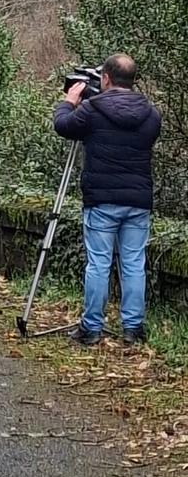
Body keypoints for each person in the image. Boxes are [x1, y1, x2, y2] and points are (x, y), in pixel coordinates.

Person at [53, 53, 161, 346]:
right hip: (138, 200)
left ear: (106, 79)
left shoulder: (91, 110)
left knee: (99, 263)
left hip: (101, 199)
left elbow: (64, 126)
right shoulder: (151, 114)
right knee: (134, 264)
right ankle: (133, 328)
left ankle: (91, 329)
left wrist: (68, 102)